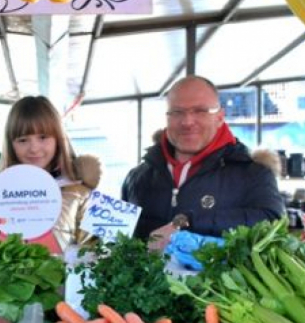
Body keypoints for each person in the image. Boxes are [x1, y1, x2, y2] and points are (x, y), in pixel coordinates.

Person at [121, 75, 284, 249]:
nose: (187, 122)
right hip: (146, 276)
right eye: (177, 112)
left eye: (200, 111)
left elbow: (273, 222)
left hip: (215, 276)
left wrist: (188, 222)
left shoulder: (253, 173)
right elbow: (119, 237)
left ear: (220, 117)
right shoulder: (137, 177)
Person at [0, 95, 101, 252]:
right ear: (11, 144)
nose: (34, 148)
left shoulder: (81, 193)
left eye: (43, 137)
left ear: (58, 139)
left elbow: (99, 253)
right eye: (23, 140)